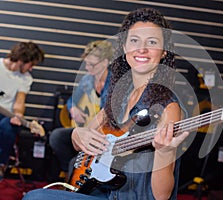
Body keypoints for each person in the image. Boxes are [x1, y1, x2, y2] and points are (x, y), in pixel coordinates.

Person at [23, 7, 190, 200]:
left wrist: (165, 151)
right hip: (104, 190)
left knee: (36, 197)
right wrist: (78, 134)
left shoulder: (168, 107)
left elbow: (162, 196)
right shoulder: (121, 94)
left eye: (152, 42)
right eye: (134, 40)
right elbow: (87, 134)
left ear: (163, 52)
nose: (142, 49)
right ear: (125, 48)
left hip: (130, 197)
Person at [49, 40, 113, 179]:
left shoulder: (115, 83)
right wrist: (73, 109)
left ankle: (75, 173)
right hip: (86, 130)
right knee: (56, 136)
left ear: (105, 62)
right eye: (86, 63)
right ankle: (68, 172)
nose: (87, 67)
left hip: (103, 136)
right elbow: (71, 100)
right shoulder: (86, 79)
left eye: (91, 64)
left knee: (74, 163)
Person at [0, 41, 44, 179]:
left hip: (5, 116)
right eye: (31, 64)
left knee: (8, 126)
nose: (31, 69)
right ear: (22, 60)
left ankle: (1, 164)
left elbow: (19, 103)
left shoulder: (25, 78)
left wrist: (18, 116)